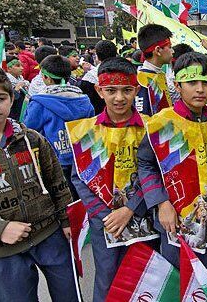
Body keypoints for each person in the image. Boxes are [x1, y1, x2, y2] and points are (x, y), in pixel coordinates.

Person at [0, 63, 76, 301]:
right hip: (0, 248)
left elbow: (57, 183)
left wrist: (67, 220)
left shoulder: (33, 139)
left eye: (0, 97)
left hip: (50, 235)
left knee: (69, 294)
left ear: (11, 99)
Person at [67, 57, 156, 302]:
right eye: (111, 90)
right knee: (107, 277)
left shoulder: (151, 127)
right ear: (99, 90)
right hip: (103, 221)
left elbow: (157, 173)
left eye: (126, 90)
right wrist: (104, 215)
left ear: (136, 90)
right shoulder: (83, 131)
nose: (119, 98)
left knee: (145, 277)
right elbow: (79, 179)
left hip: (143, 215)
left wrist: (129, 208)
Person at [138, 52, 207, 273]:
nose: (200, 89)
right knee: (179, 278)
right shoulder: (161, 123)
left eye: (205, 82)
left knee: (206, 275)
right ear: (177, 84)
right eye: (192, 82)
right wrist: (161, 203)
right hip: (174, 215)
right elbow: (146, 165)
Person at [23, 55, 94, 201]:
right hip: (82, 158)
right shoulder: (84, 99)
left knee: (63, 197)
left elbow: (30, 129)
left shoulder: (39, 101)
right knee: (83, 195)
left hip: (55, 160)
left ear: (47, 78)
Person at [134, 24, 176, 115]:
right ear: (158, 50)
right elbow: (142, 117)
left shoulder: (160, 73)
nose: (173, 51)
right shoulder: (142, 80)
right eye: (170, 47)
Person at [79, 40, 118, 114]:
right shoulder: (126, 73)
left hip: (98, 119)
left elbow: (86, 105)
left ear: (97, 56)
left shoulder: (89, 77)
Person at [5, 55, 29, 121]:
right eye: (18, 66)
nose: (22, 68)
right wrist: (16, 89)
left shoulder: (21, 79)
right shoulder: (4, 82)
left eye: (21, 65)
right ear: (8, 68)